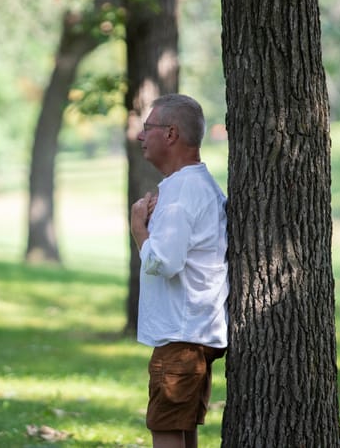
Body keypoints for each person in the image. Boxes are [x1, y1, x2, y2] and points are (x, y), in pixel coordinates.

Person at [130, 93, 229, 448]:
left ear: (170, 134)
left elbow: (164, 262)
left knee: (167, 428)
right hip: (194, 331)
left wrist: (139, 228)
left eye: (148, 128)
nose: (141, 136)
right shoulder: (197, 185)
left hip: (182, 335)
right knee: (182, 429)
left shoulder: (182, 191)